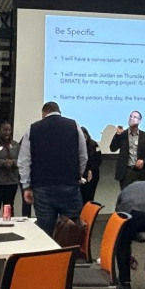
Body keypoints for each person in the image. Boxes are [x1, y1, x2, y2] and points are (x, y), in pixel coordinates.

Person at [17, 101, 87, 236]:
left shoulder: (33, 128)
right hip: (69, 186)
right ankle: (69, 256)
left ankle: (48, 256)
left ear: (44, 113)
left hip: (42, 187)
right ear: (59, 111)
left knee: (45, 231)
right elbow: (83, 156)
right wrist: (78, 176)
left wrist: (26, 186)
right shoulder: (74, 126)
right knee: (71, 230)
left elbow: (24, 160)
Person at [80, 127, 102, 205]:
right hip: (80, 175)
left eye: (84, 137)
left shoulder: (94, 144)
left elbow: (98, 160)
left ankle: (89, 215)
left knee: (89, 197)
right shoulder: (75, 145)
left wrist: (91, 169)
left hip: (92, 175)